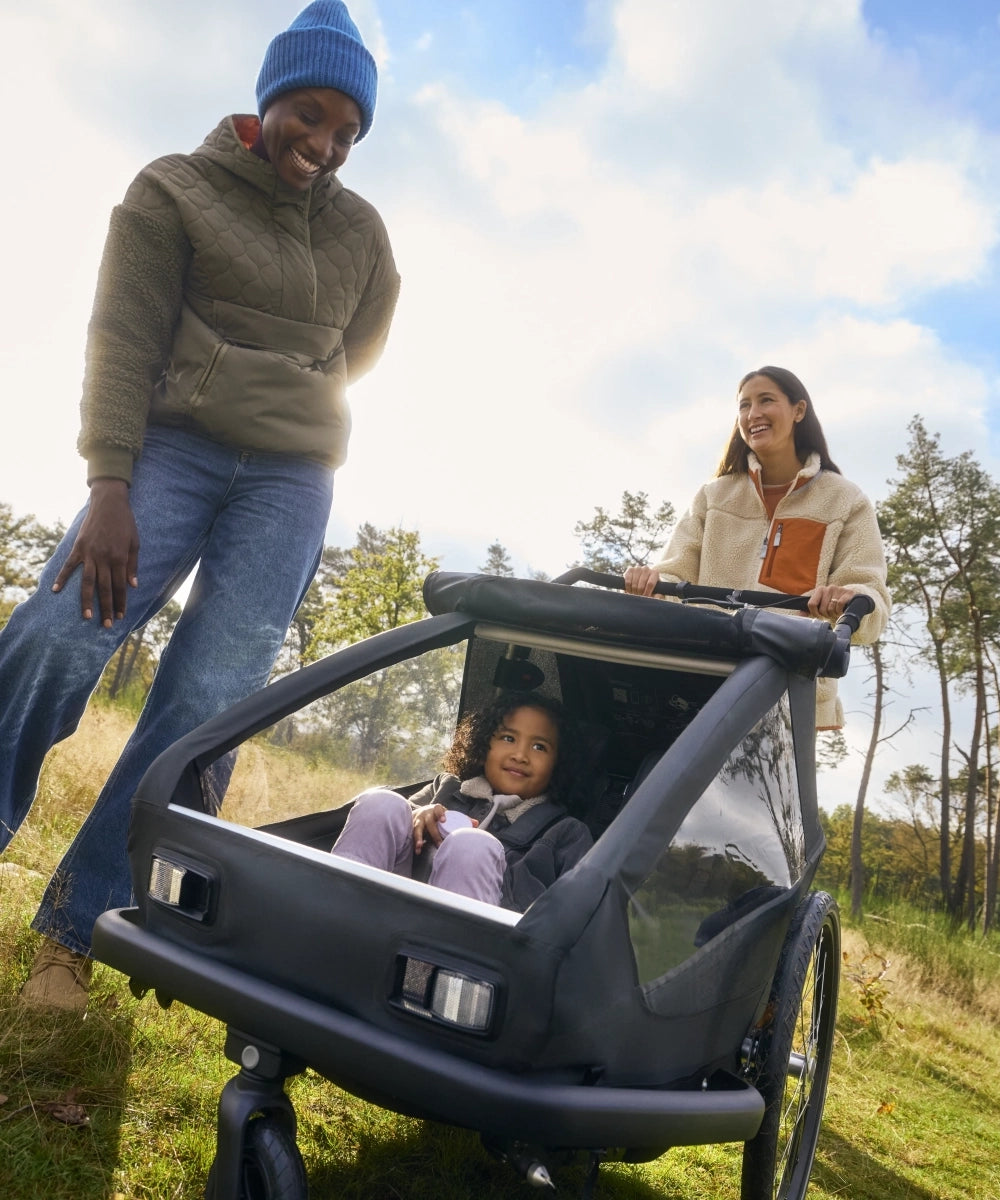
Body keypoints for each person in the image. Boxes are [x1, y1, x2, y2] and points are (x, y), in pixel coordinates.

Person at [1, 1, 400, 1011]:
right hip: (169, 450)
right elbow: (121, 338)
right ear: (270, 100)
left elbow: (360, 346)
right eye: (311, 115)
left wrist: (290, 397)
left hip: (289, 480)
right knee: (58, 633)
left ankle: (79, 932)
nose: (325, 145)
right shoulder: (172, 189)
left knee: (210, 704)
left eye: (348, 132)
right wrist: (110, 482)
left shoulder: (362, 233)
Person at [624, 366, 890, 730]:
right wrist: (650, 585)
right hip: (703, 679)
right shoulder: (713, 496)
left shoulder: (844, 501)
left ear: (798, 410)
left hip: (787, 694)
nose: (754, 414)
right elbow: (673, 575)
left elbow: (870, 597)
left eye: (766, 400)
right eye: (744, 405)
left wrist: (847, 599)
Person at [331, 692, 592, 912]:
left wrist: (483, 861)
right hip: (387, 910)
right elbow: (390, 834)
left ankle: (438, 959)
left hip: (478, 941)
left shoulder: (566, 833)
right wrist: (419, 815)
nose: (520, 755)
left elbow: (567, 920)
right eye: (508, 738)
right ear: (484, 745)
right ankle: (334, 913)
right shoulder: (445, 788)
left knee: (472, 846)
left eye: (539, 747)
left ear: (559, 763)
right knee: (381, 803)